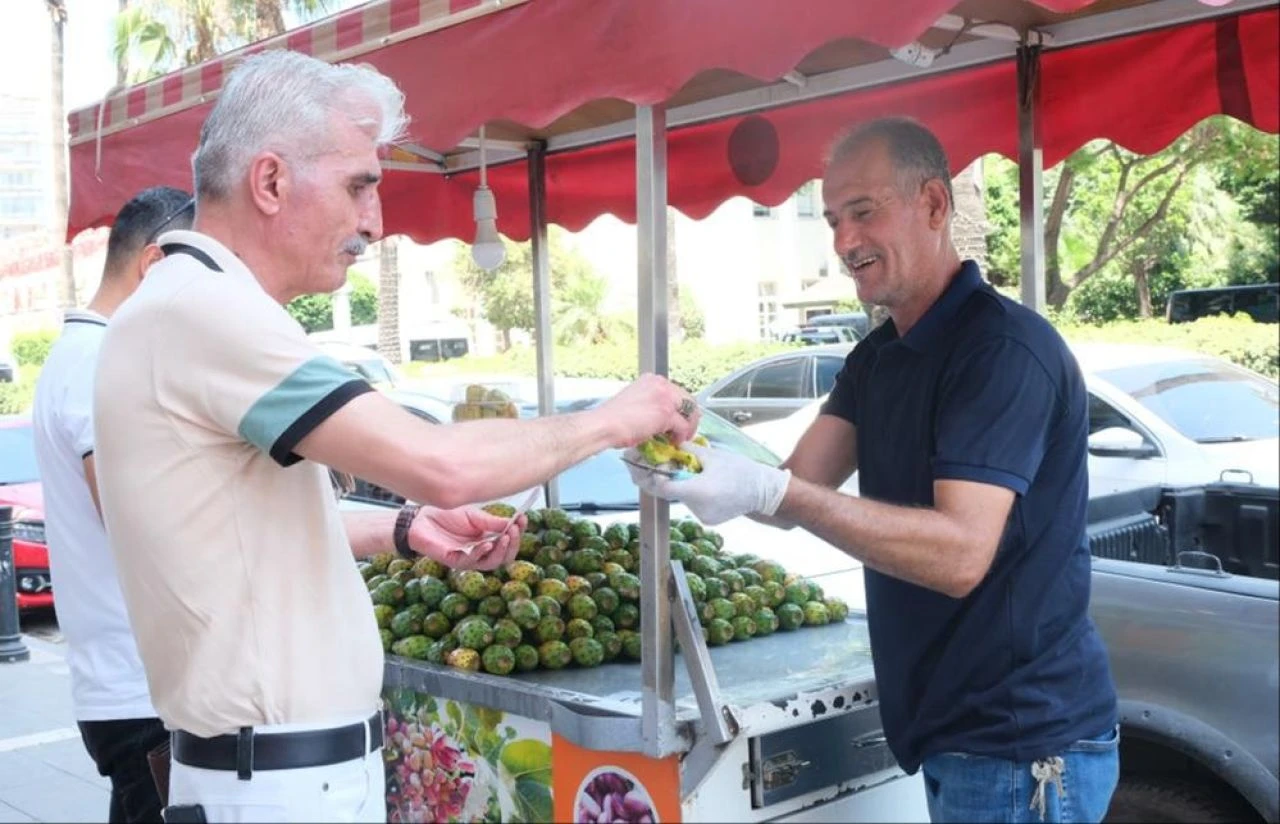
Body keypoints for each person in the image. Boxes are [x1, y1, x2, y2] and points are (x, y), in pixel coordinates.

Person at [91, 50, 699, 824]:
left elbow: (243, 528)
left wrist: (406, 530)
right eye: (358, 186)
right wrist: (616, 417)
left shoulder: (188, 308)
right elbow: (438, 461)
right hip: (275, 783)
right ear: (271, 181)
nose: (373, 223)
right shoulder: (204, 313)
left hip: (272, 773)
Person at [631, 117, 1119, 823]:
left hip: (1023, 742)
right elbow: (797, 484)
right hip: (951, 733)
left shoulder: (1002, 351)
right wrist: (699, 452)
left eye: (863, 212)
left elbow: (958, 555)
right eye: (832, 220)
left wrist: (774, 489)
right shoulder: (878, 358)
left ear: (933, 205)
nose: (843, 241)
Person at [30, 186, 195, 824]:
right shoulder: (101, 363)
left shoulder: (79, 355)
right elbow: (137, 523)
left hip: (125, 681)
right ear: (154, 266)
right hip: (140, 684)